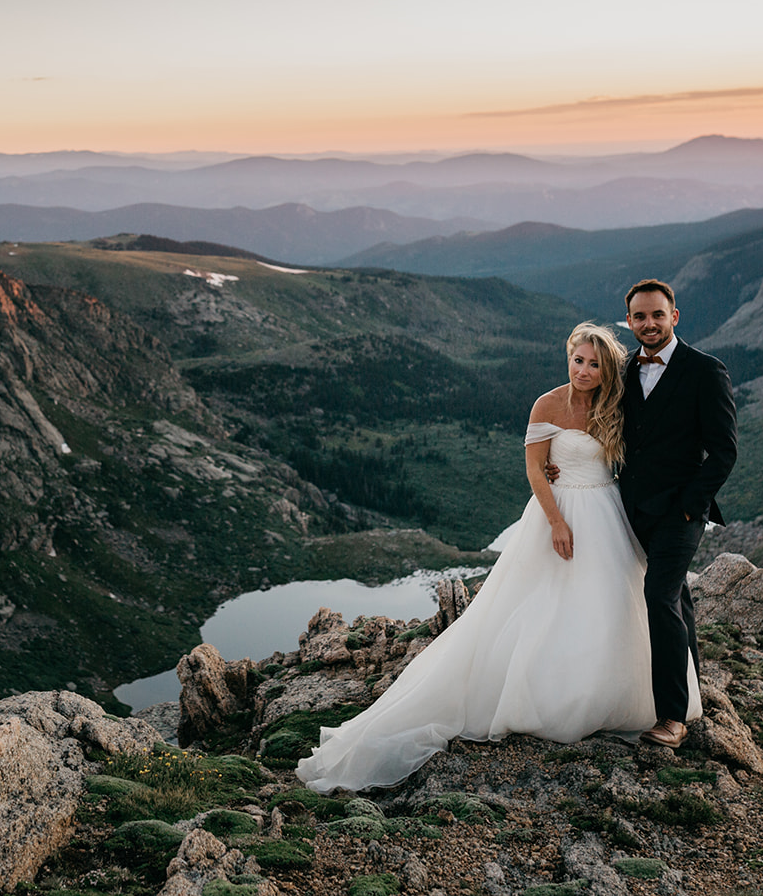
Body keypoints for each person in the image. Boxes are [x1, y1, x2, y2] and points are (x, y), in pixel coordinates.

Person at [295, 322, 699, 793]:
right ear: (567, 358)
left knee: (610, 606)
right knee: (538, 608)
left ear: (606, 367)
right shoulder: (546, 404)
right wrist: (556, 522)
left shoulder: (616, 403)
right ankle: (546, 698)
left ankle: (619, 697)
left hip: (609, 512)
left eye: (594, 363)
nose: (584, 370)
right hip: (560, 511)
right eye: (577, 360)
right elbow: (534, 467)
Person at [617, 280, 737, 748]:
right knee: (678, 599)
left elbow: (724, 451)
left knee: (659, 595)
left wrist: (691, 507)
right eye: (639, 317)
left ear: (675, 316)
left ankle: (672, 716)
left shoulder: (705, 370)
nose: (649, 324)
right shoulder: (625, 368)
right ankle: (692, 693)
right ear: (629, 322)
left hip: (681, 512)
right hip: (629, 510)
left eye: (657, 315)